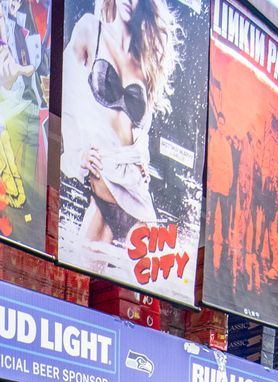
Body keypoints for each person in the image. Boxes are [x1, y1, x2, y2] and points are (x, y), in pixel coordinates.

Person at [62, 0, 178, 271]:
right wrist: (75, 154)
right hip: (102, 195)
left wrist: (143, 157)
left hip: (137, 197)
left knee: (145, 301)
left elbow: (139, 129)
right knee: (76, 289)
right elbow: (64, 94)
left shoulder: (146, 59)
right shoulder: (91, 29)